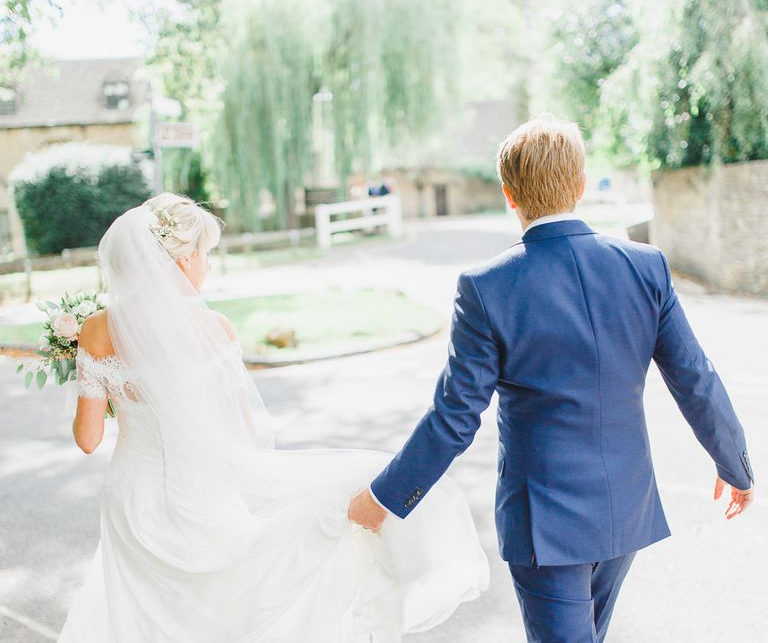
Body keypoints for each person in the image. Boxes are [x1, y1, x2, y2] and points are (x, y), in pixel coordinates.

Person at [348, 114, 754, 642]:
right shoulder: (645, 266)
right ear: (581, 186)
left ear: (508, 194)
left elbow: (454, 418)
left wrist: (383, 500)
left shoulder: (486, 287)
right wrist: (734, 463)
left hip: (547, 525)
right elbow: (694, 377)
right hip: (624, 510)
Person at [58, 193, 488, 642]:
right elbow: (242, 433)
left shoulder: (96, 329)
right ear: (182, 260)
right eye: (204, 256)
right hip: (201, 493)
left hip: (133, 496)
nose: (205, 267)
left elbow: (88, 438)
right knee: (222, 608)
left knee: (139, 614)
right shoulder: (215, 330)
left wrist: (108, 390)